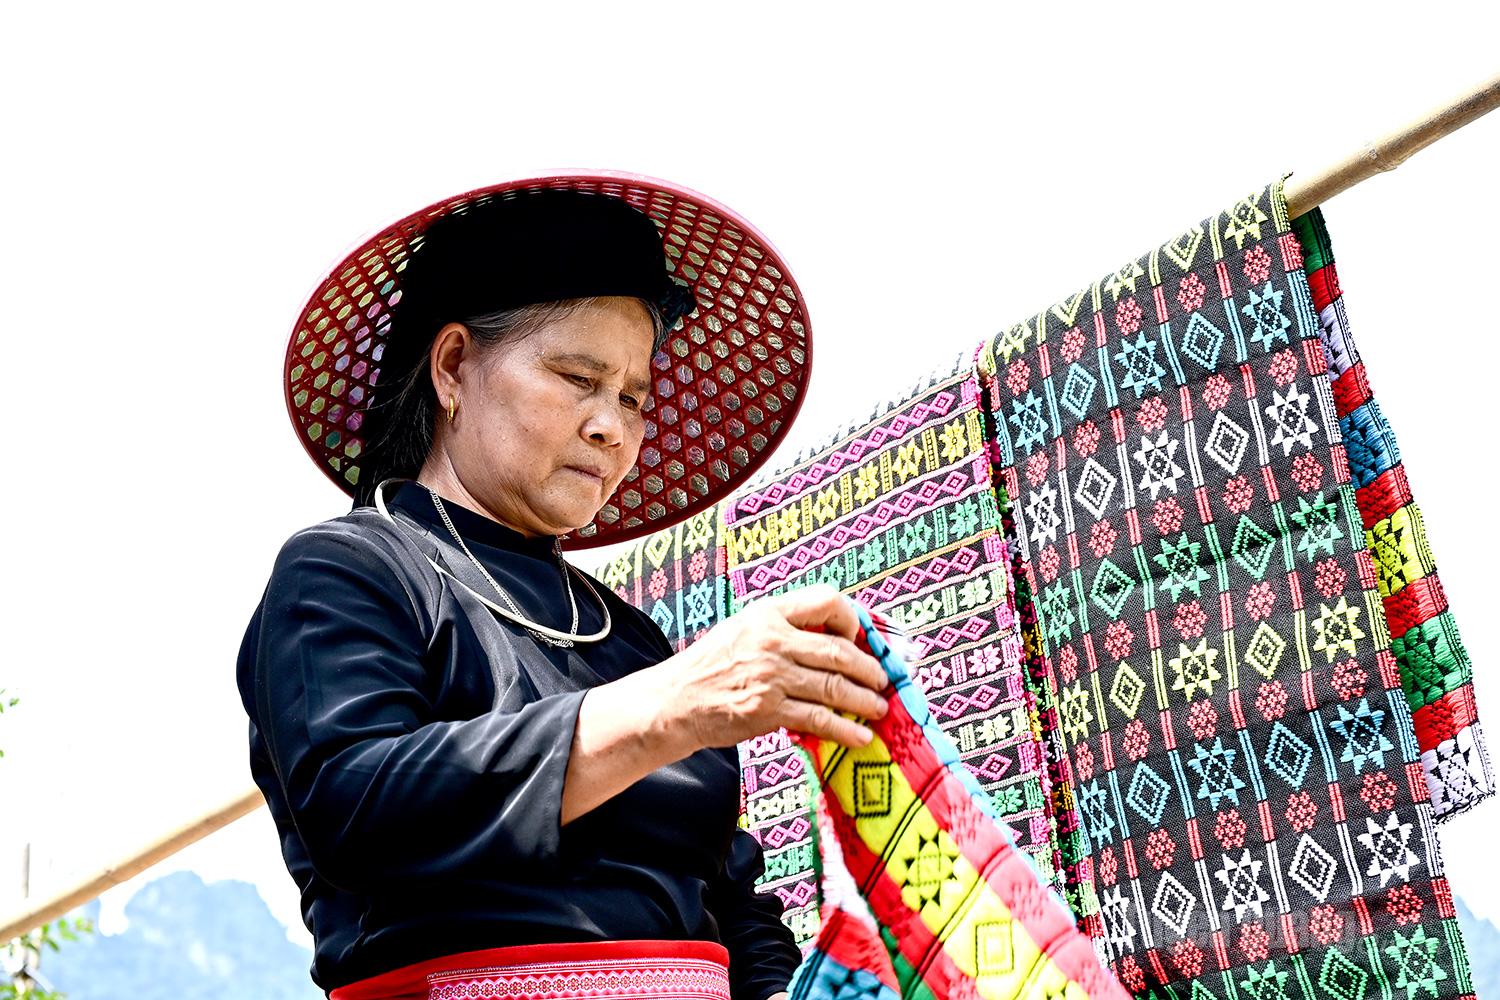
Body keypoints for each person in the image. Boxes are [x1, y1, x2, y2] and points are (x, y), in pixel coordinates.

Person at [236, 176, 888, 1000]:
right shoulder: (348, 571)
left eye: (633, 397)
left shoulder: (633, 640)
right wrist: (666, 708)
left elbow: (730, 904)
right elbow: (358, 806)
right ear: (452, 367)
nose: (610, 425)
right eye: (577, 378)